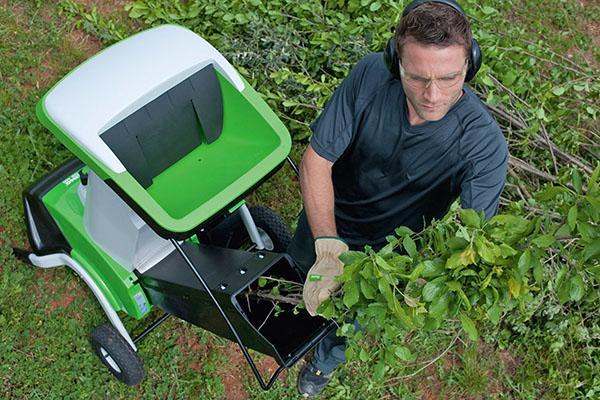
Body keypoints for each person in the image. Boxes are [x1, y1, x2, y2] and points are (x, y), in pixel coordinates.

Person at [287, 0, 508, 396]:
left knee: (352, 319)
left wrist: (418, 280)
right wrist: (326, 246)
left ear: (470, 65)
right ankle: (290, 324)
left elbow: (472, 242)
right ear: (395, 62)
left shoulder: (483, 145)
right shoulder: (371, 75)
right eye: (417, 77)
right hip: (326, 220)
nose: (433, 95)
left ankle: (324, 364)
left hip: (388, 258)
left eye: (450, 77)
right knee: (297, 271)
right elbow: (318, 159)